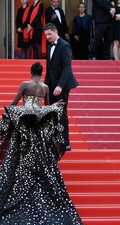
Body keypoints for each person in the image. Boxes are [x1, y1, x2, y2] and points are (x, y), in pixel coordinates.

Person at [0, 61, 101, 225]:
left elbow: (12, 104)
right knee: (42, 161)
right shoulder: (46, 88)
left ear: (31, 73)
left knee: (18, 158)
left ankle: (18, 181)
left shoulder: (25, 84)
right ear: (42, 73)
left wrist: (15, 113)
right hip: (39, 128)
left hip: (25, 126)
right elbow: (47, 108)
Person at [44, 23, 78, 151]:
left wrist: (60, 86)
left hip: (62, 86)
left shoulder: (65, 46)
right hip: (51, 86)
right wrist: (46, 87)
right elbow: (49, 69)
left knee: (61, 113)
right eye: (46, 35)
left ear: (55, 32)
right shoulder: (49, 47)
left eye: (49, 34)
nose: (47, 37)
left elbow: (67, 68)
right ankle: (54, 140)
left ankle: (65, 142)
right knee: (51, 113)